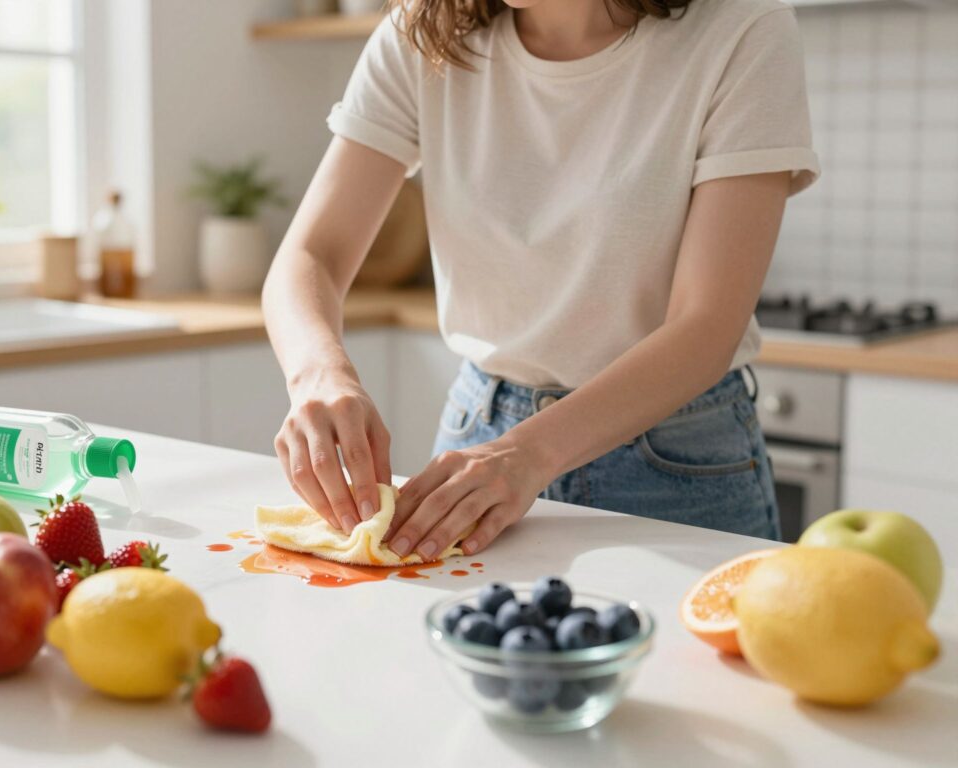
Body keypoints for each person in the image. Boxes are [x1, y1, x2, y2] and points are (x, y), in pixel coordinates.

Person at [263, 0, 819, 562]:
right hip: (479, 439)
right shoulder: (423, 31)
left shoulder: (741, 29)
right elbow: (312, 254)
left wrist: (530, 453)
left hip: (675, 459)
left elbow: (707, 325)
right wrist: (319, 376)